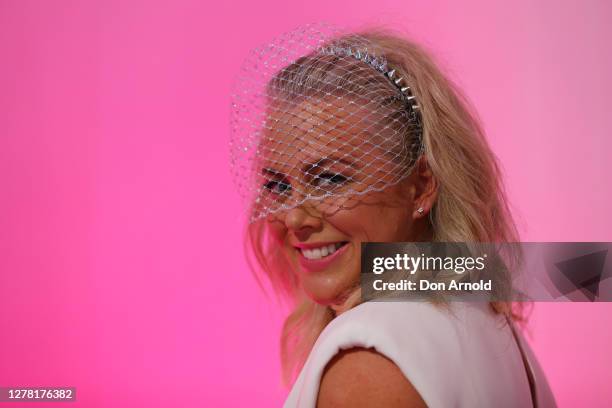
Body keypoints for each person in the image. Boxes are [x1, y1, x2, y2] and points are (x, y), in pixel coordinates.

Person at [229, 23, 557, 407]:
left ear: (419, 187)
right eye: (278, 186)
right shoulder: (481, 312)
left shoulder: (367, 363)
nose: (294, 217)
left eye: (330, 179)